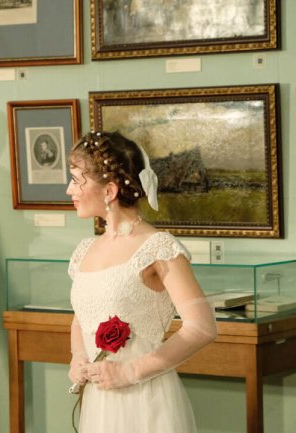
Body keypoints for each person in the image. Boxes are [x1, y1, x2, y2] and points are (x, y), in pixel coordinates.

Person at [66, 130, 217, 433]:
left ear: (109, 191)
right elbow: (82, 317)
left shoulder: (158, 247)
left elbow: (202, 327)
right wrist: (78, 356)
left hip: (145, 400)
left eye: (76, 180)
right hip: (100, 402)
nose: (70, 190)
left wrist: (130, 372)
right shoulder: (85, 250)